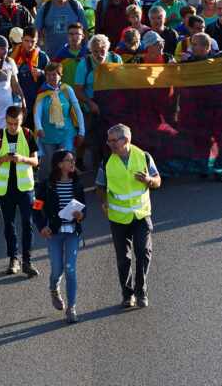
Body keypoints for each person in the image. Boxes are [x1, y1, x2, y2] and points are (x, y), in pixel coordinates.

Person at [97, 122, 161, 309]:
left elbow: (158, 180)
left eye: (113, 141)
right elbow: (100, 187)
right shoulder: (106, 162)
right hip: (118, 218)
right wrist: (103, 201)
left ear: (125, 140)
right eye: (108, 141)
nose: (109, 144)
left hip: (141, 215)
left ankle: (141, 290)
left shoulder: (144, 157)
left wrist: (149, 180)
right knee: (123, 258)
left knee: (144, 252)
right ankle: (127, 295)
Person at [0, 104, 41, 278]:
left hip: (25, 188)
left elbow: (35, 161)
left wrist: (22, 159)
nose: (12, 127)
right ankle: (13, 259)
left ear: (21, 119)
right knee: (9, 225)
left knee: (27, 223)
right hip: (5, 189)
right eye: (9, 123)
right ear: (5, 121)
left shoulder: (27, 134)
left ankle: (27, 260)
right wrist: (5, 158)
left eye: (15, 123)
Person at [33, 147, 86, 323]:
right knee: (57, 268)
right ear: (59, 164)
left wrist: (81, 215)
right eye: (69, 160)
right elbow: (36, 209)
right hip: (54, 234)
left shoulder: (77, 183)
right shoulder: (46, 185)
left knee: (70, 269)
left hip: (72, 232)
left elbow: (83, 207)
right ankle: (54, 288)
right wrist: (42, 227)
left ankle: (72, 308)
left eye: (73, 160)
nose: (73, 163)